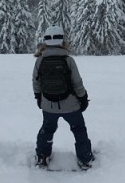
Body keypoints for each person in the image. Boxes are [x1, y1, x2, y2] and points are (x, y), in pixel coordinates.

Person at [32, 25, 94, 169]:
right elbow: (77, 83)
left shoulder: (40, 60)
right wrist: (83, 99)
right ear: (62, 41)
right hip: (71, 105)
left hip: (48, 105)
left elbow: (36, 82)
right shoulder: (68, 60)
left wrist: (38, 98)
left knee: (47, 130)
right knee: (79, 129)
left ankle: (42, 156)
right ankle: (85, 159)